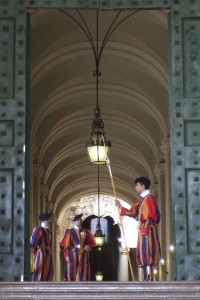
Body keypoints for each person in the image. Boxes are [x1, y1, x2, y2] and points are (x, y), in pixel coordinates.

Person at [115, 177, 161, 281]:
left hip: (148, 229)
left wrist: (146, 225)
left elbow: (150, 214)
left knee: (149, 250)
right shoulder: (142, 201)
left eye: (137, 185)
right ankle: (146, 275)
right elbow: (133, 212)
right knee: (142, 252)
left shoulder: (149, 199)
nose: (135, 187)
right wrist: (120, 206)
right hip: (142, 229)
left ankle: (151, 276)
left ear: (143, 186)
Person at [60, 213, 96, 281]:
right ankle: (70, 288)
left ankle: (84, 288)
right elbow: (65, 246)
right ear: (75, 221)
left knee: (84, 271)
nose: (79, 222)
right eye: (78, 220)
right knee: (71, 271)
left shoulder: (86, 231)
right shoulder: (70, 232)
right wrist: (67, 255)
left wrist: (88, 246)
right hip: (73, 253)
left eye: (80, 220)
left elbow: (92, 243)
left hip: (83, 253)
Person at [30, 212, 53, 281]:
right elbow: (32, 243)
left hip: (48, 253)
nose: (49, 221)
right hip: (41, 253)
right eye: (48, 220)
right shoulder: (38, 229)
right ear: (45, 220)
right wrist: (35, 252)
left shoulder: (48, 231)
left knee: (48, 272)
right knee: (39, 270)